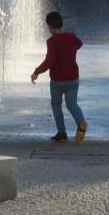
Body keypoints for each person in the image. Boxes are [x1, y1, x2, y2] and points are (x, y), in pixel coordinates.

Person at [31, 11, 88, 144]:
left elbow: (49, 61)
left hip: (58, 80)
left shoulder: (52, 41)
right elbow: (80, 44)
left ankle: (62, 133)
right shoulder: (71, 37)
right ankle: (81, 122)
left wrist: (37, 72)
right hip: (73, 78)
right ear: (61, 24)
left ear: (49, 27)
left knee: (56, 105)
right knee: (72, 104)